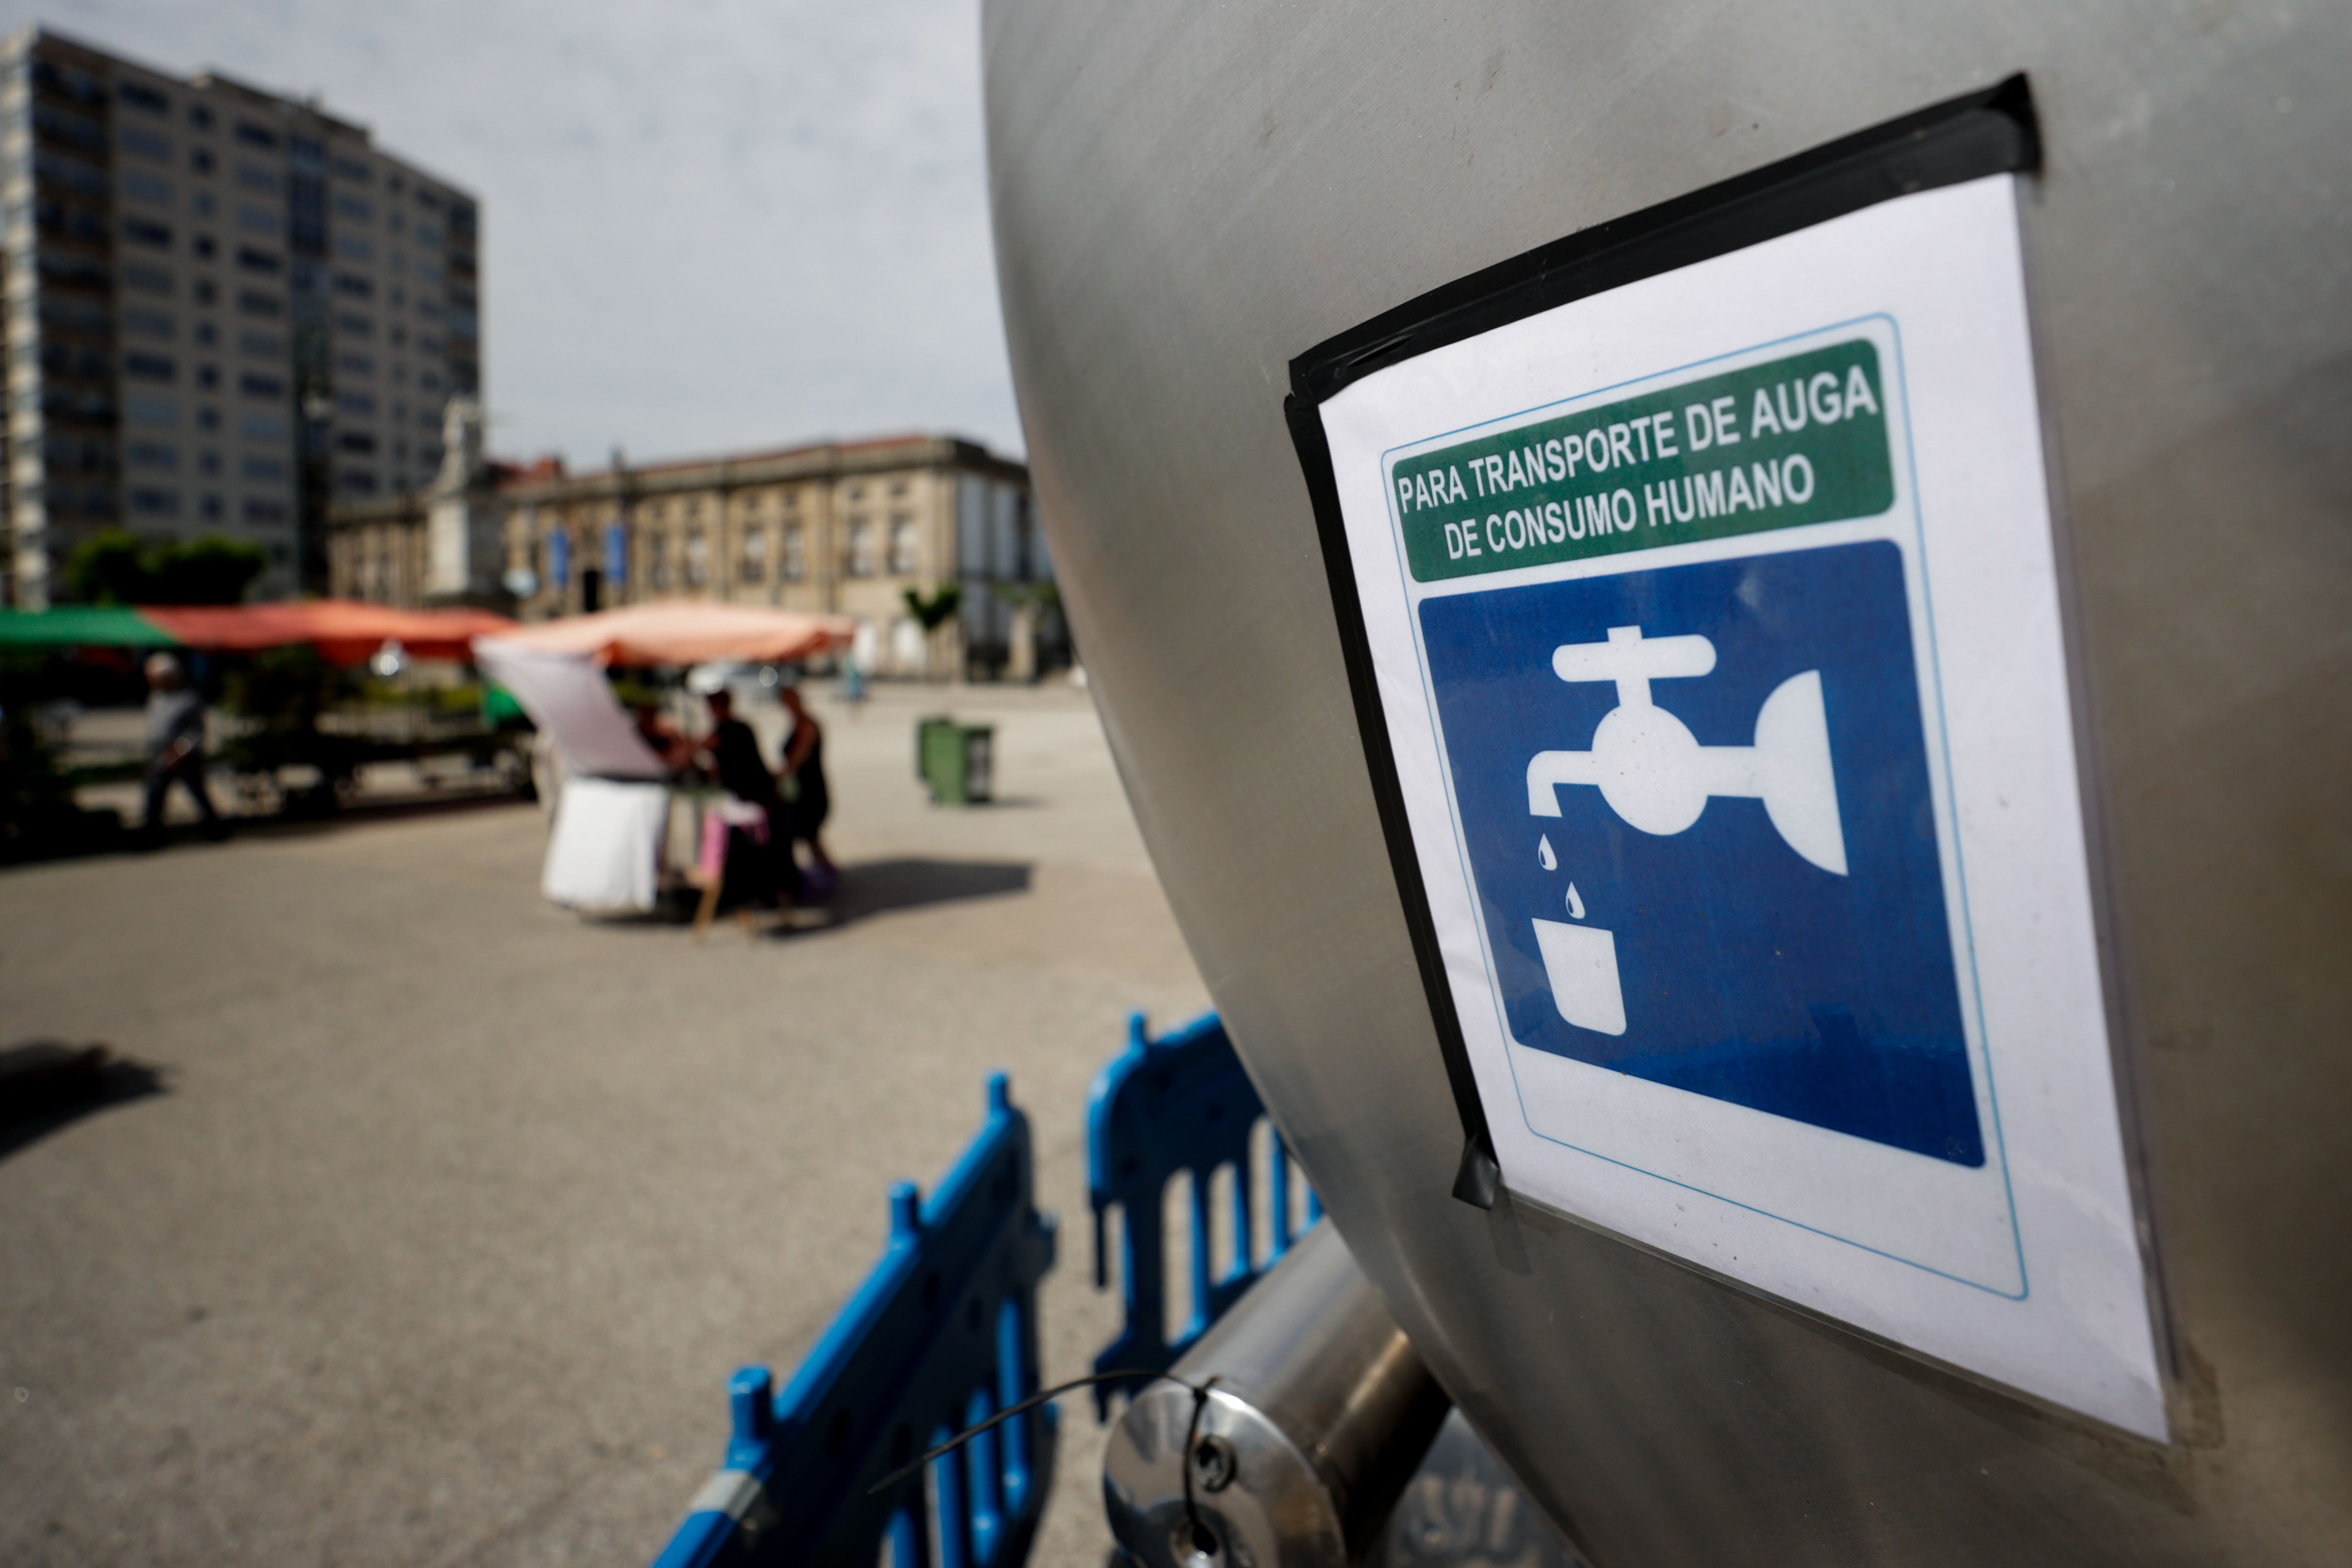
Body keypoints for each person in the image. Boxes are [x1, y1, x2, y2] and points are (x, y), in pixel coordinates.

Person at [693, 686, 796, 910]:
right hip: (759, 796)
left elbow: (700, 748)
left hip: (755, 799)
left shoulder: (728, 730)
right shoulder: (739, 728)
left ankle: (747, 893)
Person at [140, 653, 225, 843]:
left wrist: (180, 751)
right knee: (155, 795)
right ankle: (151, 835)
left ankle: (216, 831)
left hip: (185, 756)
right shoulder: (156, 698)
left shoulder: (188, 699)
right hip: (160, 754)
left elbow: (197, 731)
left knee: (198, 793)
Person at [777, 672, 836, 894]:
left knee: (810, 836)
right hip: (801, 789)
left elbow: (797, 758)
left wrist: (778, 776)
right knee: (811, 839)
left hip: (811, 790)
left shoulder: (808, 725)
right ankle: (827, 875)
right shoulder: (798, 723)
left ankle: (828, 877)